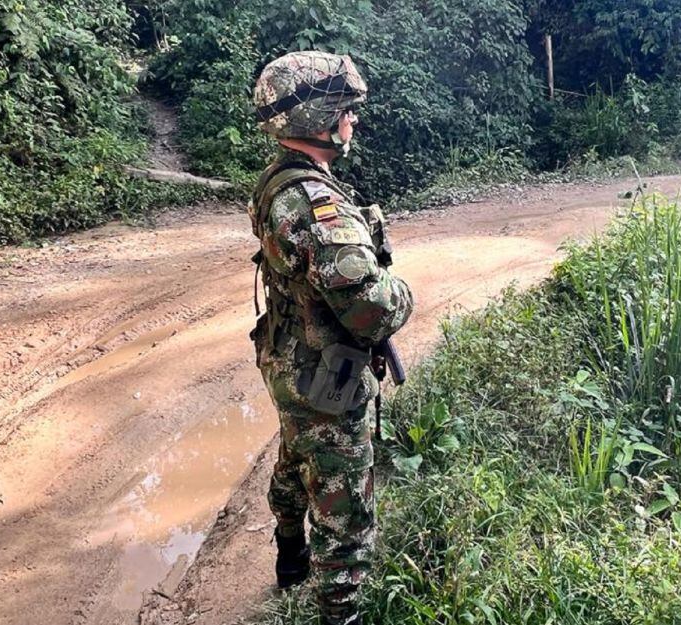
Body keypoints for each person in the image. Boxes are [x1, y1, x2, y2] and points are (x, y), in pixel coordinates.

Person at [247, 51, 414, 625]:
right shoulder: (320, 206)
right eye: (346, 112)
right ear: (318, 119)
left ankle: (290, 560)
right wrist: (402, 290)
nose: (353, 122)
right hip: (327, 377)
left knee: (295, 458)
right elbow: (375, 312)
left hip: (289, 359)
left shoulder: (277, 182)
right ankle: (338, 611)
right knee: (344, 516)